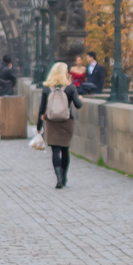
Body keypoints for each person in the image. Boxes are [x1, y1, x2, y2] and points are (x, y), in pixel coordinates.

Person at [36, 60, 78, 189]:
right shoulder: (70, 88)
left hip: (52, 121)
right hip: (66, 121)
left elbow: (42, 108)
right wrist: (78, 97)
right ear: (64, 73)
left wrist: (39, 125)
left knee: (55, 150)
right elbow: (78, 105)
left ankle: (58, 177)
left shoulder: (47, 88)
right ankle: (64, 177)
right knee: (65, 149)